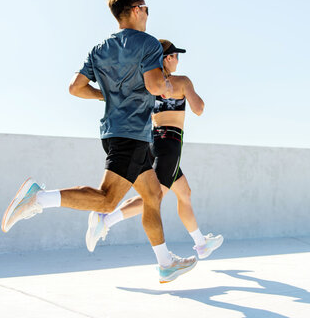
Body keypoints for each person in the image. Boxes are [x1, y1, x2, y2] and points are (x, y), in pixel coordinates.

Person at [0, 0, 197, 284]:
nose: (147, 13)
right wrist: (167, 87)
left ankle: (165, 262)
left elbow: (75, 87)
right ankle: (38, 197)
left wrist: (105, 97)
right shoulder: (148, 44)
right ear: (135, 10)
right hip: (130, 133)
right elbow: (156, 86)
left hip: (119, 131)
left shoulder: (100, 48)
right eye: (145, 7)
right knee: (106, 201)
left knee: (153, 195)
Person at [85, 40, 224, 260]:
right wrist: (189, 92)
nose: (178, 60)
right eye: (176, 56)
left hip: (152, 141)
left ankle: (201, 243)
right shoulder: (182, 81)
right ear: (168, 58)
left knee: (184, 193)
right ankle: (106, 219)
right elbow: (199, 109)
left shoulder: (148, 82)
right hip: (170, 143)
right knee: (154, 197)